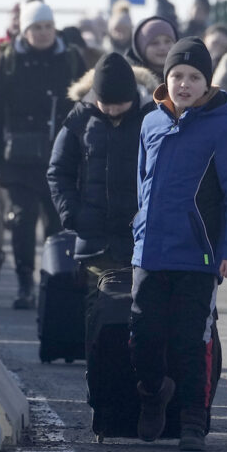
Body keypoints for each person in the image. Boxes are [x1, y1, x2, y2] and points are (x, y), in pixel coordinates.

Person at [131, 37, 227, 451]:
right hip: (150, 252)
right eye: (177, 75)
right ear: (166, 79)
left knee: (191, 341)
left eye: (194, 77)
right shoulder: (150, 122)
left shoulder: (224, 127)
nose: (184, 84)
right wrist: (138, 231)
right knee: (143, 335)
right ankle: (152, 395)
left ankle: (192, 421)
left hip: (198, 256)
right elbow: (143, 185)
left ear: (207, 83)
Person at [0, 0, 86, 310]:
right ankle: (25, 282)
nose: (43, 33)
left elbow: (86, 106)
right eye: (36, 27)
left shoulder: (69, 58)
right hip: (18, 161)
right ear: (25, 30)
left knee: (57, 224)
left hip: (61, 157)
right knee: (23, 222)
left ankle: (52, 282)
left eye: (48, 27)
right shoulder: (8, 59)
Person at [48, 52, 157, 354]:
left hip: (142, 238)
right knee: (99, 309)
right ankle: (100, 374)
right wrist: (73, 215)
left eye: (117, 103)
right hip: (95, 239)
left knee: (141, 310)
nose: (109, 110)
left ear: (132, 96)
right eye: (104, 102)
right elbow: (59, 171)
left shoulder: (153, 118)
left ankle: (135, 373)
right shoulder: (80, 119)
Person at [124, 15, 177, 81]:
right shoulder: (127, 79)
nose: (162, 47)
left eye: (168, 41)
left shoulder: (187, 74)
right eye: (154, 43)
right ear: (140, 48)